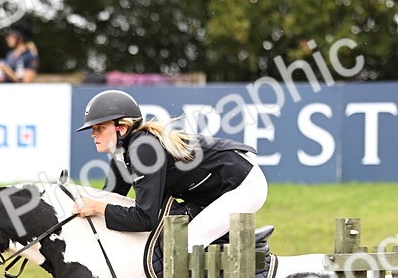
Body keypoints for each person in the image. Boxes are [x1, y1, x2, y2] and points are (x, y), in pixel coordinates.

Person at [72, 89, 268, 251]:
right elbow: (111, 198)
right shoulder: (121, 153)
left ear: (121, 128)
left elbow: (145, 219)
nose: (93, 134)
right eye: (92, 129)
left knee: (183, 246)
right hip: (212, 189)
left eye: (99, 127)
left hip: (244, 184)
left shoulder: (143, 149)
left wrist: (97, 207)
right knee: (171, 235)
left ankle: (238, 267)